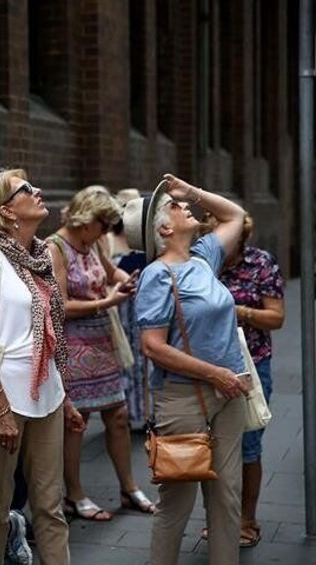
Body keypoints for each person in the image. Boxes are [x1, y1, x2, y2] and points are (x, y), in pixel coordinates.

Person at [124, 174, 249, 565]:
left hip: (230, 393)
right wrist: (215, 374)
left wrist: (190, 192)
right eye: (175, 207)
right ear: (164, 228)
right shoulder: (157, 275)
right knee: (178, 502)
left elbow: (236, 215)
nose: (185, 207)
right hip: (183, 398)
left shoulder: (202, 257)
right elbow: (152, 346)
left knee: (228, 497)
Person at [0, 169, 84, 565]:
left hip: (47, 394)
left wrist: (64, 397)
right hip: (7, 398)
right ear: (7, 210)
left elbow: (51, 335)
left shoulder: (43, 255)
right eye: (26, 190)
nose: (38, 192)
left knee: (50, 506)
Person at [47, 186, 154, 521]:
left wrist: (127, 280)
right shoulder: (56, 248)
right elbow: (60, 305)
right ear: (85, 220)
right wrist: (108, 302)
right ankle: (74, 495)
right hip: (74, 343)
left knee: (118, 415)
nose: (107, 231)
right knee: (78, 420)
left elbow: (112, 272)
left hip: (102, 341)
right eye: (103, 224)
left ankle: (129, 487)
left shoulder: (91, 243)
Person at [201, 212, 285, 548]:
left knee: (248, 446)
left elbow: (276, 317)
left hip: (251, 364)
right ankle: (218, 519)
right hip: (206, 366)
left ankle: (247, 520)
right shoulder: (200, 261)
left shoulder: (261, 263)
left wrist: (238, 311)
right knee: (210, 446)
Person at [107, 188, 148, 430]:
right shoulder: (110, 240)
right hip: (119, 307)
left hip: (141, 307)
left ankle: (142, 413)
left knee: (143, 360)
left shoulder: (143, 241)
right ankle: (125, 411)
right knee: (123, 358)